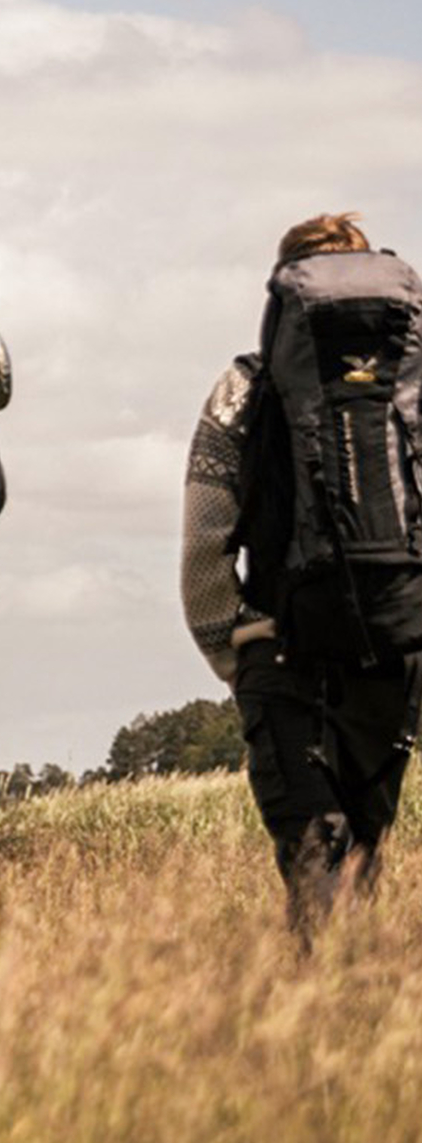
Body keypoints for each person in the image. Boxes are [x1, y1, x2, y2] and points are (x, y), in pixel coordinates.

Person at [182, 212, 422, 941]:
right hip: (394, 638)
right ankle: (358, 1016)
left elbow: (205, 535)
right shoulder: (410, 390)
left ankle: (316, 1009)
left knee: (311, 846)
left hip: (281, 638)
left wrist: (234, 650)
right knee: (363, 847)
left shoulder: (244, 387)